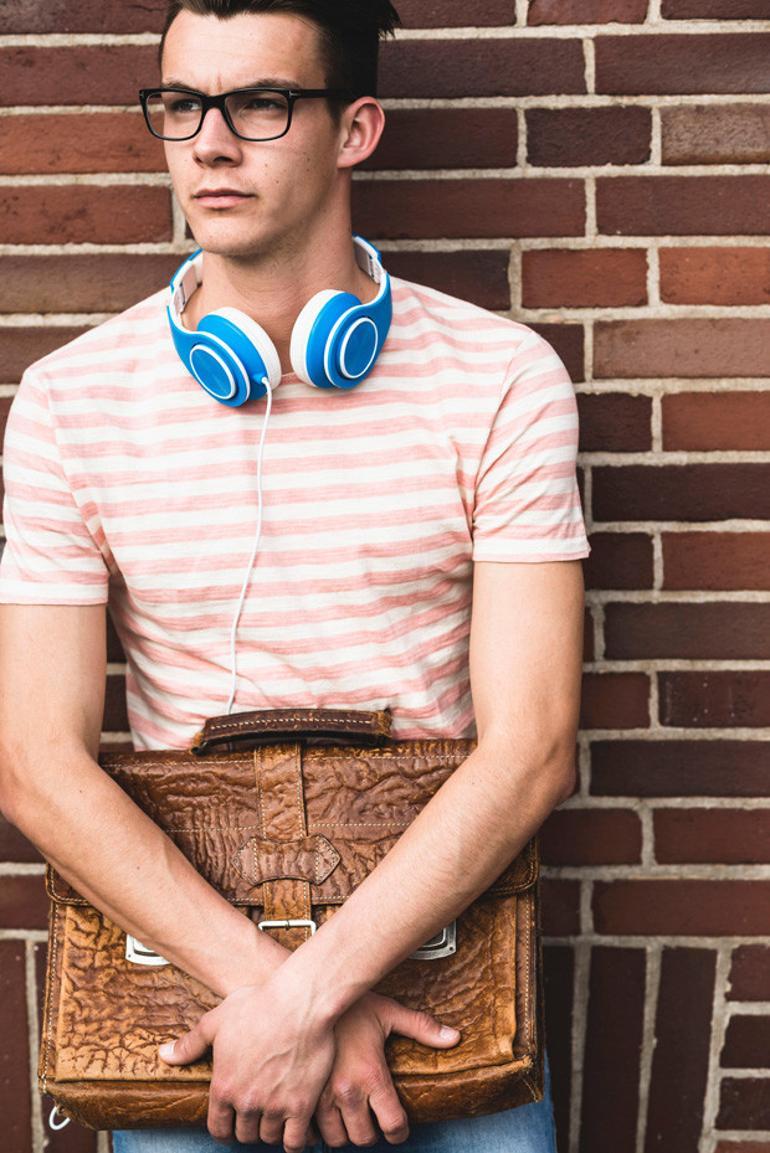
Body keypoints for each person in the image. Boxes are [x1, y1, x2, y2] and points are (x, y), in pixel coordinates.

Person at [0, 1, 590, 1150]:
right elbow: (35, 766)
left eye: (259, 105)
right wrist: (273, 998)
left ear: (353, 129)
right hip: (195, 1012)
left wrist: (306, 996)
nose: (209, 145)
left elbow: (531, 750)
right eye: (181, 106)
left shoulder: (500, 380)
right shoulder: (71, 403)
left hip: (441, 995)